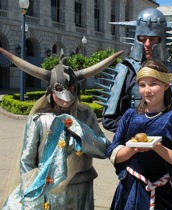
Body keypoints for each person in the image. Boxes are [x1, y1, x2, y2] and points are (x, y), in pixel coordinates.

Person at [0, 47, 123, 209]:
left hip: (81, 188)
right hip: (48, 192)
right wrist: (32, 191)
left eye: (72, 90)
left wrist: (81, 132)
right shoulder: (39, 120)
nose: (66, 100)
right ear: (50, 91)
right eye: (59, 91)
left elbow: (103, 149)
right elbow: (26, 161)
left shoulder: (86, 115)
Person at [107, 60, 172, 210]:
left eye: (153, 84)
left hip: (167, 193)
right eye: (142, 85)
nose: (147, 90)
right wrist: (133, 148)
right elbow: (113, 152)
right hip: (131, 190)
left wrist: (158, 148)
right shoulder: (130, 116)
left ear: (165, 85)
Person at [96, 8, 172, 132]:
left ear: (161, 39)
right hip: (135, 145)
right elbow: (110, 121)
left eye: (153, 39)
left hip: (168, 144)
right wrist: (145, 129)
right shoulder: (125, 71)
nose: (147, 44)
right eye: (142, 38)